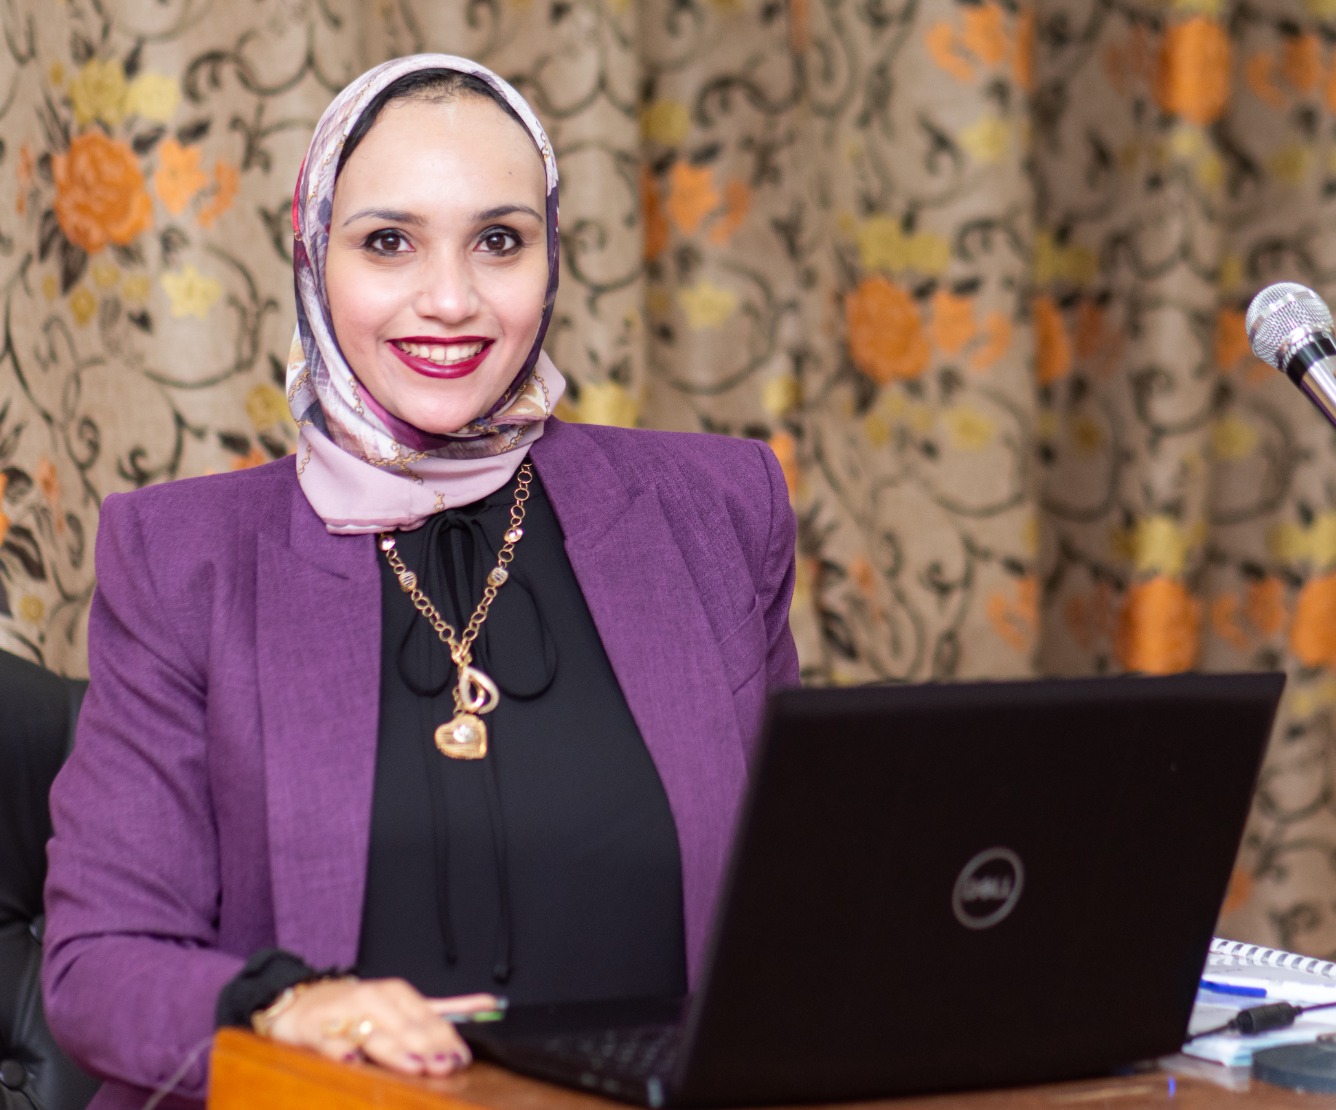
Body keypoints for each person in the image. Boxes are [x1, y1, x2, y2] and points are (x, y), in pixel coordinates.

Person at [43, 54, 799, 1110]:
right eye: (389, 242)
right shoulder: (182, 558)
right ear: (314, 254)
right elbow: (98, 966)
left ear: (552, 258)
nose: (450, 300)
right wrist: (284, 1007)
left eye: (499, 240)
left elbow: (800, 905)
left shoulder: (716, 510)